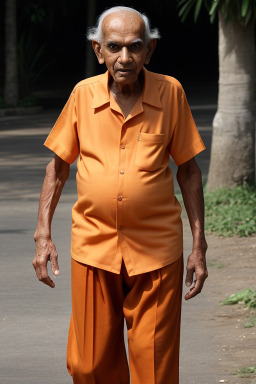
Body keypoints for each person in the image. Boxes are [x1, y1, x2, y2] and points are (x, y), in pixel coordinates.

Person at [32, 6, 208, 384]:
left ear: (150, 50)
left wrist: (198, 246)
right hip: (94, 248)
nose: (124, 58)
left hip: (156, 251)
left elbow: (189, 171)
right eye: (114, 47)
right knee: (88, 365)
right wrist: (43, 235)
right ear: (99, 51)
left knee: (155, 367)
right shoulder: (82, 95)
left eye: (135, 47)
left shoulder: (170, 92)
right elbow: (58, 167)